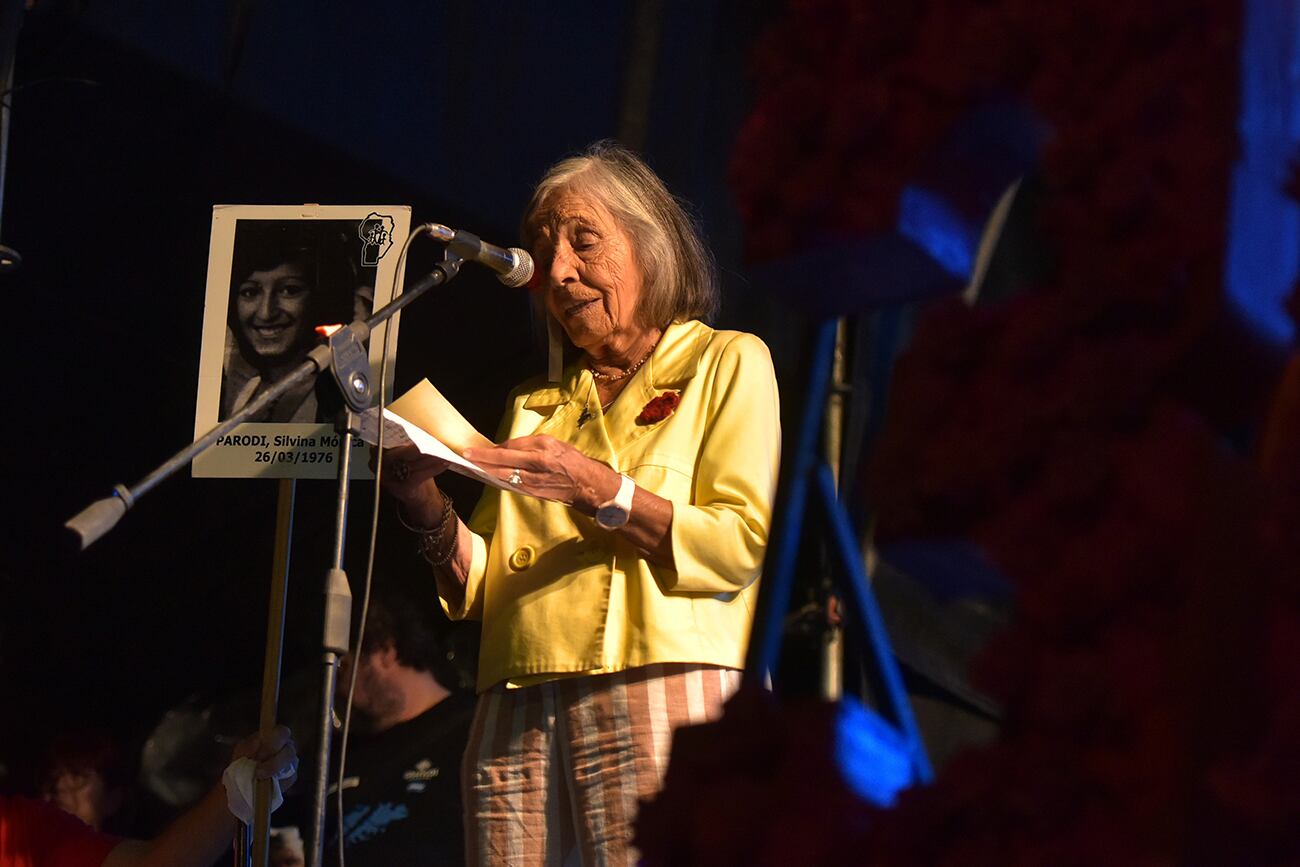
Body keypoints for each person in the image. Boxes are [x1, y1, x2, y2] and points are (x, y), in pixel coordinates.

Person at [379, 141, 781, 865]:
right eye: (541, 249)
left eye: (581, 240)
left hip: (663, 680)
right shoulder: (533, 405)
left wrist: (602, 489)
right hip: (514, 702)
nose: (557, 269)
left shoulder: (727, 361)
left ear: (649, 244)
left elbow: (738, 545)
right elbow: (482, 585)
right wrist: (423, 500)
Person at [317, 592, 475, 865]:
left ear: (385, 651)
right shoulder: (343, 754)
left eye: (344, 668)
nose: (340, 688)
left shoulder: (471, 725)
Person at [0, 725, 297, 867]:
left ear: (116, 797)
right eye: (53, 781)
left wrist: (245, 780)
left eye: (78, 779)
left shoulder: (22, 827)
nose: (61, 790)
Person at [220, 222, 361, 423]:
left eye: (289, 290)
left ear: (322, 299)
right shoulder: (247, 391)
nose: (266, 313)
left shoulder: (336, 398)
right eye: (250, 292)